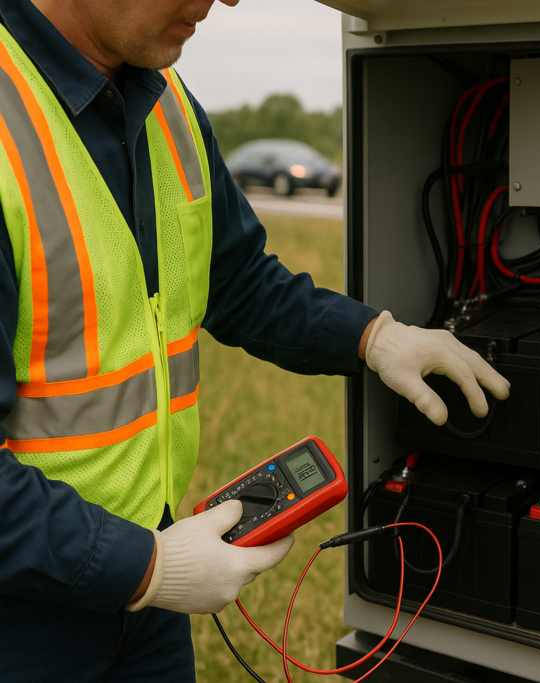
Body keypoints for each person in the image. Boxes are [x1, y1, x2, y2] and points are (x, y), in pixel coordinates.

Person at [0, 0, 510, 680]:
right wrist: (149, 568)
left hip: (146, 595)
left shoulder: (166, 104)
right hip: (27, 620)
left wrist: (374, 338)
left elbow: (238, 282)